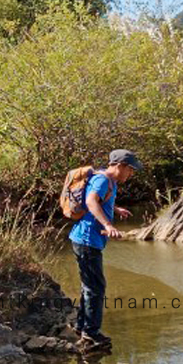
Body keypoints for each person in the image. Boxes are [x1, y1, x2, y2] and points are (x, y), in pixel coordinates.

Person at [69, 149, 141, 350]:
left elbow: (99, 199)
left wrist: (115, 209)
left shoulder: (109, 181)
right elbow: (91, 201)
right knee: (96, 288)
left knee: (89, 286)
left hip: (85, 240)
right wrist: (108, 225)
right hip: (87, 240)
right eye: (130, 170)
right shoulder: (103, 180)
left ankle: (81, 326)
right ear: (120, 165)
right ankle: (90, 334)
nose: (131, 174)